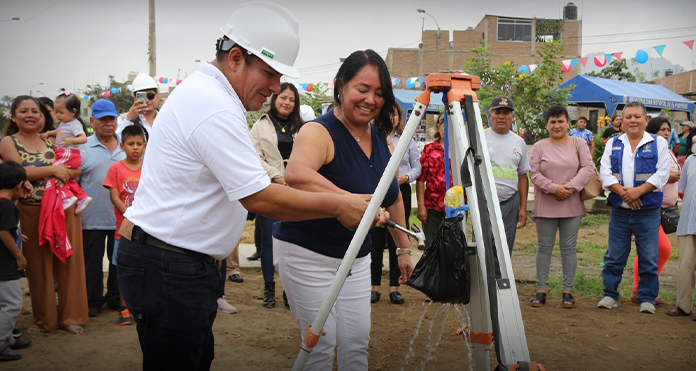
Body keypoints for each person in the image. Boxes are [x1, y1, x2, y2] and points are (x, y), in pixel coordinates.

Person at [116, 4, 373, 370]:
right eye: (269, 74)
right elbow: (258, 196)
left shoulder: (214, 96)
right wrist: (337, 205)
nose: (275, 87)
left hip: (175, 261)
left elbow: (251, 182)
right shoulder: (213, 105)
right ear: (236, 58)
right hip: (168, 263)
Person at [273, 49, 414, 371]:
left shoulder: (381, 138)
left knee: (356, 342)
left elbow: (392, 197)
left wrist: (403, 251)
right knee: (320, 344)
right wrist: (354, 203)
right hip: (306, 253)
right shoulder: (317, 131)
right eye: (362, 89)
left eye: (379, 93)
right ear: (340, 86)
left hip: (357, 258)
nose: (370, 100)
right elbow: (296, 175)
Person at [0, 96, 88, 335]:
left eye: (35, 111)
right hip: (30, 211)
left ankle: (71, 317)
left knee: (68, 262)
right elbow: (18, 171)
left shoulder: (53, 137)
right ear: (14, 116)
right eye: (23, 111)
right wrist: (52, 170)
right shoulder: (9, 141)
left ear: (41, 116)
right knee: (38, 268)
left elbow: (76, 165)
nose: (30, 115)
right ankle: (44, 320)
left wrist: (65, 172)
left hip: (64, 208)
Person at [597, 101, 670, 314]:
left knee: (649, 256)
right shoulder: (614, 142)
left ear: (646, 120)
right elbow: (605, 174)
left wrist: (638, 192)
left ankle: (647, 298)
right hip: (620, 210)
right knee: (615, 256)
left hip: (647, 212)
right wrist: (625, 194)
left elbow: (662, 173)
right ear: (622, 121)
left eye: (637, 116)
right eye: (628, 117)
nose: (632, 120)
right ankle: (610, 295)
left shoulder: (658, 143)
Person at [529, 104, 594, 308]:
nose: (557, 125)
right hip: (546, 204)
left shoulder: (579, 143)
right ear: (547, 124)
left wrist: (570, 188)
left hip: (571, 204)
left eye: (561, 121)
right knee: (544, 247)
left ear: (568, 123)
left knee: (568, 248)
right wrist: (554, 188)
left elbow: (588, 167)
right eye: (553, 121)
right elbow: (534, 174)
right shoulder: (539, 146)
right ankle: (541, 289)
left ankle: (568, 291)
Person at [249, 82, 303, 308]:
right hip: (270, 188)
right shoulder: (260, 125)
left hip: (297, 190)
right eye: (283, 97)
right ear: (274, 98)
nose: (287, 102)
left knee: (295, 242)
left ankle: (289, 291)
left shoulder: (304, 127)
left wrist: (292, 178)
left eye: (291, 99)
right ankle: (269, 287)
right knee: (269, 241)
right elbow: (253, 155)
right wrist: (276, 176)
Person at [79, 99, 125, 318]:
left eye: (112, 119)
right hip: (91, 218)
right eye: (103, 119)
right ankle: (93, 299)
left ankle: (115, 297)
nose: (109, 123)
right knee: (92, 263)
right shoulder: (82, 148)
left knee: (118, 261)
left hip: (121, 218)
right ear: (92, 121)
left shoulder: (127, 147)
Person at [371, 103, 420, 305]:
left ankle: (395, 287)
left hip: (401, 190)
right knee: (375, 238)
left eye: (395, 114)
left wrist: (406, 177)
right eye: (387, 113)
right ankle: (374, 287)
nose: (392, 117)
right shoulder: (372, 138)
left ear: (400, 118)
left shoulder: (407, 140)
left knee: (397, 237)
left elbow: (417, 167)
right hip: (376, 191)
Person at [629, 117, 680, 305]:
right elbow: (645, 178)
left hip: (667, 210)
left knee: (653, 250)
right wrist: (669, 178)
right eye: (661, 130)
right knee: (661, 249)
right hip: (651, 208)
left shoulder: (668, 152)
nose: (666, 133)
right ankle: (639, 289)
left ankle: (642, 289)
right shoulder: (648, 151)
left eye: (668, 129)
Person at [103, 125, 146, 325]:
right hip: (124, 230)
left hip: (146, 231)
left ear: (145, 146)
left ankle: (141, 306)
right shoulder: (115, 169)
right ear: (122, 146)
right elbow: (114, 197)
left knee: (144, 270)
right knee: (124, 270)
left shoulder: (148, 169)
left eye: (139, 144)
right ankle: (124, 307)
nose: (135, 148)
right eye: (130, 144)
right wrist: (130, 215)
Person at [484, 96, 530, 278]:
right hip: (486, 201)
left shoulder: (518, 142)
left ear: (512, 117)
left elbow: (522, 176)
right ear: (490, 115)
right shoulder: (480, 137)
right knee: (484, 243)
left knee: (505, 245)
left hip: (510, 203)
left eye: (506, 113)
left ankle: (500, 283)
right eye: (497, 112)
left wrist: (523, 208)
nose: (501, 117)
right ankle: (483, 283)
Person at [40, 91, 92, 213]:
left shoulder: (74, 124)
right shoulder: (64, 123)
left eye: (61, 112)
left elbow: (83, 138)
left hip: (69, 153)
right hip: (65, 153)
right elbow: (58, 132)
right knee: (65, 178)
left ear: (73, 111)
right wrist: (48, 133)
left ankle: (67, 197)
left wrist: (71, 141)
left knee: (53, 171)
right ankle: (82, 197)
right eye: (55, 112)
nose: (57, 115)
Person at [0, 161, 31, 361]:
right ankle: (2, 342)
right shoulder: (7, 205)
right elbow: (3, 232)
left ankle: (8, 338)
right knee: (12, 304)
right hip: (5, 264)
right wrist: (19, 255)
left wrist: (17, 234)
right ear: (19, 185)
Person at [667, 141, 696, 318]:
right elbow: (682, 189)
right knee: (685, 264)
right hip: (688, 221)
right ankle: (683, 306)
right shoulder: (691, 160)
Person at [416, 114, 452, 248]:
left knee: (452, 250)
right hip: (433, 209)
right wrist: (421, 207)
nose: (446, 129)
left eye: (450, 126)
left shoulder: (459, 149)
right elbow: (420, 180)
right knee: (432, 248)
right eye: (444, 125)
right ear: (439, 127)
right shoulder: (429, 149)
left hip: (454, 210)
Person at [116, 73, 160, 141]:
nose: (147, 100)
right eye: (142, 97)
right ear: (135, 99)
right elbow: (118, 143)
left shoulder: (166, 118)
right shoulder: (122, 119)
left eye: (150, 96)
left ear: (157, 97)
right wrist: (129, 120)